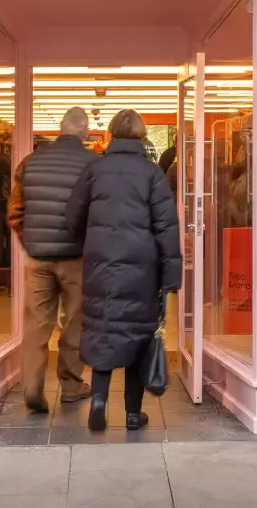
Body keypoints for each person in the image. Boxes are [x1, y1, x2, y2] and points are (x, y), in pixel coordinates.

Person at [66, 109, 183, 432]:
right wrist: (172, 275)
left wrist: (87, 243)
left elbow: (73, 215)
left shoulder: (95, 170)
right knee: (137, 334)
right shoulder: (151, 173)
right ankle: (133, 413)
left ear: (112, 134)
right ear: (142, 136)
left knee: (104, 329)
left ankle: (100, 400)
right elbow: (166, 226)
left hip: (99, 264)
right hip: (141, 268)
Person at [8, 106, 99, 412]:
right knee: (75, 322)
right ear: (85, 132)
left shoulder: (30, 162)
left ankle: (33, 388)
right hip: (77, 258)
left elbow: (15, 211)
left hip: (38, 259)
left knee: (36, 324)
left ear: (60, 128)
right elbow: (97, 215)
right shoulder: (93, 164)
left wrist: (30, 241)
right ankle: (71, 386)